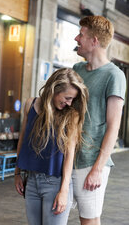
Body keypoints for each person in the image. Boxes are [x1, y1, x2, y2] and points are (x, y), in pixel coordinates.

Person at [14, 68, 88, 225]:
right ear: (54, 89)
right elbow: (22, 140)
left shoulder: (72, 115)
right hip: (31, 181)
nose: (69, 103)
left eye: (72, 99)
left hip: (56, 183)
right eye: (67, 97)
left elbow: (69, 154)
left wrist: (64, 190)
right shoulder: (30, 104)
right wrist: (17, 173)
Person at [72, 15, 126, 225]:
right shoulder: (76, 71)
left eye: (82, 35)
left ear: (94, 41)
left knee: (89, 220)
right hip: (66, 157)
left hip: (91, 160)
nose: (77, 38)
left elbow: (114, 127)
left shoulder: (114, 75)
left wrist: (97, 170)